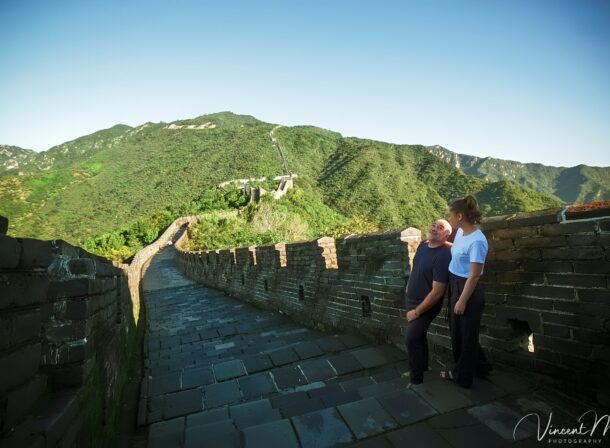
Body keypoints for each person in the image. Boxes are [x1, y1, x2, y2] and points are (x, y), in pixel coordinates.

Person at [442, 195, 493, 388]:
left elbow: (475, 275)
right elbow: (458, 252)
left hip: (467, 290)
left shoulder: (478, 241)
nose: (448, 219)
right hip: (455, 284)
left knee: (465, 337)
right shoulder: (461, 233)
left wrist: (462, 301)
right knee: (459, 333)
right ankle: (482, 368)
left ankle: (461, 377)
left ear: (460, 216)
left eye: (450, 216)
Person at [404, 219, 452, 385]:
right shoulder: (423, 245)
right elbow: (415, 267)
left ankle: (416, 380)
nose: (435, 229)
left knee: (411, 337)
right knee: (418, 336)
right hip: (411, 299)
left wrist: (417, 312)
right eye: (433, 225)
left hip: (425, 305)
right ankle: (422, 368)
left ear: (447, 235)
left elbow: (438, 292)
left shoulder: (444, 254)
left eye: (441, 228)